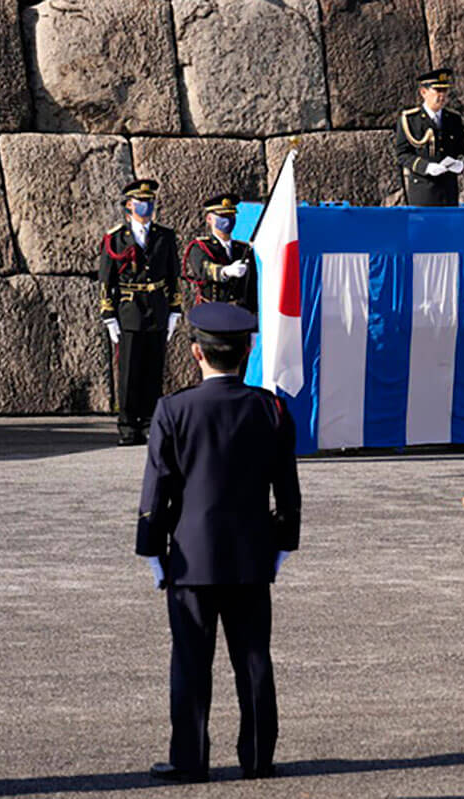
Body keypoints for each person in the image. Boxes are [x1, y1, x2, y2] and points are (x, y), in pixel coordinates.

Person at [136, 303, 301, 783]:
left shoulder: (173, 409)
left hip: (190, 556)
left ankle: (189, 757)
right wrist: (283, 543)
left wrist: (151, 548)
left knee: (190, 660)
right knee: (252, 659)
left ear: (195, 353)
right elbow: (286, 490)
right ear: (248, 351)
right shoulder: (270, 408)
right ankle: (257, 756)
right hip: (251, 553)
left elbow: (157, 489)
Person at [99, 179, 182, 446]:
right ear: (128, 206)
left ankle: (149, 422)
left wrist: (174, 310)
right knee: (129, 371)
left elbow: (173, 274)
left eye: (150, 201)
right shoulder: (115, 237)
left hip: (157, 307)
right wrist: (108, 315)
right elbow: (106, 279)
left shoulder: (165, 236)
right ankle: (127, 424)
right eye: (141, 202)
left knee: (153, 369)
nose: (146, 206)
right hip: (129, 308)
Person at [394, 68, 464, 207]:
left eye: (445, 91)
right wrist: (426, 167)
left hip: (448, 190)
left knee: (448, 228)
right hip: (423, 190)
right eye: (437, 91)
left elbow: (462, 151)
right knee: (424, 228)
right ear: (424, 92)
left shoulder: (453, 119)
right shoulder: (410, 119)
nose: (442, 96)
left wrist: (460, 163)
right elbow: (402, 154)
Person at [182, 193, 258, 313]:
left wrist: (253, 317)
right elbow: (205, 269)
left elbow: (252, 287)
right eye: (222, 216)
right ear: (209, 219)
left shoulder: (243, 249)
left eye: (230, 215)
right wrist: (226, 271)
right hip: (213, 312)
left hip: (240, 313)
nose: (227, 220)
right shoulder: (200, 247)